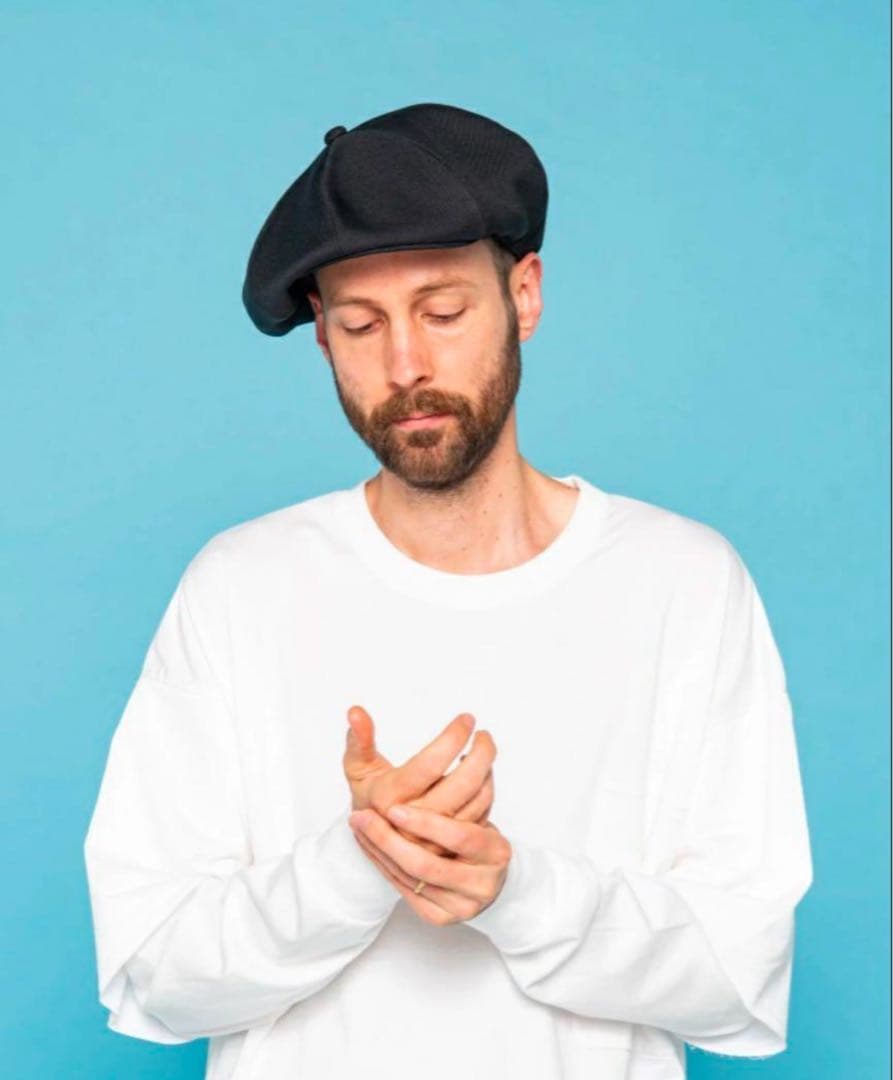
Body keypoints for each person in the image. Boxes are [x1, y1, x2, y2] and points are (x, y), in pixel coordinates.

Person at [83, 102, 813, 1080]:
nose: (405, 366)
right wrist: (357, 861)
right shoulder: (240, 587)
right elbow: (150, 974)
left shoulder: (681, 582)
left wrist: (517, 892)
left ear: (524, 296)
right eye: (360, 324)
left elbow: (742, 976)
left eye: (442, 312)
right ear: (322, 340)